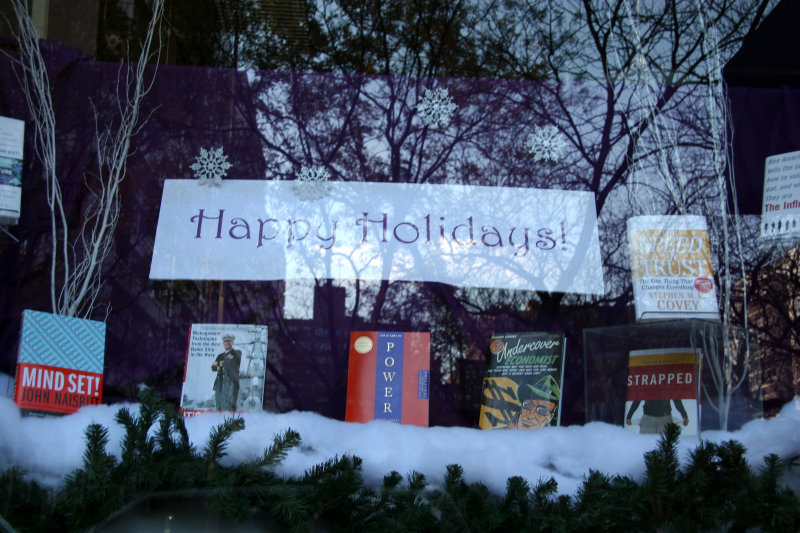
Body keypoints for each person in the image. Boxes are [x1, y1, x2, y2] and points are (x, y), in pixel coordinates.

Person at [211, 334, 241, 411]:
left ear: (233, 342)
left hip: (230, 382)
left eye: (229, 341)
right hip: (219, 382)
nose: (227, 343)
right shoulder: (220, 355)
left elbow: (229, 364)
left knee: (228, 405)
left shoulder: (236, 353)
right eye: (225, 341)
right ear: (223, 343)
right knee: (219, 405)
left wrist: (219, 364)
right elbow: (213, 368)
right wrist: (221, 364)